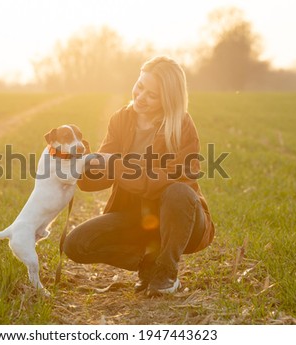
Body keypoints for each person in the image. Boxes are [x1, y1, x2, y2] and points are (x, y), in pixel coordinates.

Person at [63, 56, 215, 296]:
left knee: (178, 191)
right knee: (75, 245)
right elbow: (99, 178)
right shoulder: (121, 119)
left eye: (152, 95)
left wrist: (117, 166)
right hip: (137, 217)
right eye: (140, 86)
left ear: (167, 99)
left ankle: (166, 271)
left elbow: (177, 181)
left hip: (181, 219)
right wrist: (83, 162)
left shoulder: (182, 125)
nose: (141, 97)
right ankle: (149, 262)